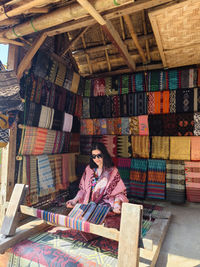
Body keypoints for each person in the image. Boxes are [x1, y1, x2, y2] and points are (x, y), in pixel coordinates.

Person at [66, 142, 128, 214]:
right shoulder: (89, 170)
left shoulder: (113, 171)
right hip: (88, 206)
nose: (96, 159)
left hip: (106, 209)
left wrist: (117, 206)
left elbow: (119, 193)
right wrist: (74, 200)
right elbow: (83, 190)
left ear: (104, 155)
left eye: (99, 156)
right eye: (93, 156)